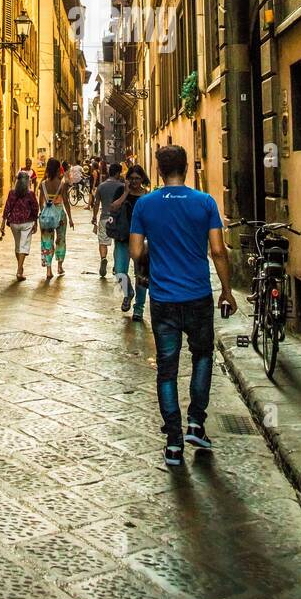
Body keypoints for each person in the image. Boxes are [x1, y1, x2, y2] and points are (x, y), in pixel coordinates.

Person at [129, 145, 237, 468]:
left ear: (159, 171)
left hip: (163, 299)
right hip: (199, 296)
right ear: (187, 168)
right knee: (203, 355)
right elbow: (218, 250)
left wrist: (154, 244)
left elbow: (135, 253)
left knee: (167, 367)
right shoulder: (205, 203)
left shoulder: (145, 206)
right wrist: (228, 292)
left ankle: (173, 442)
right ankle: (196, 423)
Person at [107, 164, 151, 321]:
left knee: (141, 275)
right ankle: (128, 293)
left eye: (137, 178)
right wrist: (125, 193)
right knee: (119, 271)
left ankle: (138, 309)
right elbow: (112, 207)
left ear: (142, 179)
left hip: (141, 240)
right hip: (122, 238)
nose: (134, 182)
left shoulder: (147, 196)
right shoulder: (121, 191)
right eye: (131, 178)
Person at [38, 158, 74, 280]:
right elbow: (66, 202)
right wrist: (70, 218)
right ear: (58, 169)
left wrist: (43, 213)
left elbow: (40, 202)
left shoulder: (42, 184)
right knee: (61, 240)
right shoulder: (62, 184)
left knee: (47, 241)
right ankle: (59, 266)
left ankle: (49, 270)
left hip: (47, 215)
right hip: (59, 214)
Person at [0, 172, 39, 281]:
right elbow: (35, 209)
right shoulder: (30, 194)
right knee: (23, 246)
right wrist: (36, 222)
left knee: (18, 246)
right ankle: (19, 270)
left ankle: (20, 269)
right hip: (26, 223)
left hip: (14, 223)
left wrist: (3, 223)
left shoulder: (12, 193)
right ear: (27, 182)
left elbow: (7, 207)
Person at [92, 162, 125, 279]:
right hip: (118, 219)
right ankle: (116, 265)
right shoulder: (122, 186)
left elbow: (96, 203)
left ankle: (103, 258)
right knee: (117, 242)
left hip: (104, 217)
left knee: (102, 241)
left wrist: (94, 217)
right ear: (117, 173)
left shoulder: (101, 186)